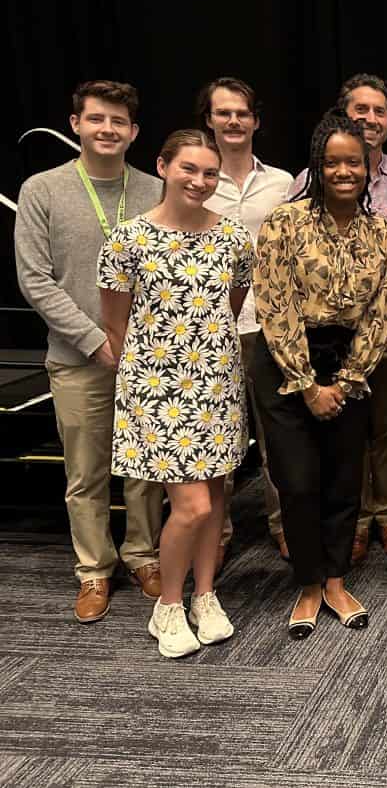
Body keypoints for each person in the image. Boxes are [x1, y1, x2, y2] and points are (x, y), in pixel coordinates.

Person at [97, 129, 253, 658]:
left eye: (210, 173)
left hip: (217, 381)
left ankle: (205, 595)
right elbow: (115, 323)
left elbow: (228, 309)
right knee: (188, 505)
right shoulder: (128, 239)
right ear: (163, 166)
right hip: (158, 389)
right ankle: (167, 604)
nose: (200, 181)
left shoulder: (233, 237)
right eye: (189, 168)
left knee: (214, 499)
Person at [14, 80, 164, 624]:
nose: (108, 129)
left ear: (134, 132)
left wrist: (143, 343)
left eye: (118, 122)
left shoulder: (154, 190)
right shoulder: (43, 190)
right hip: (78, 359)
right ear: (76, 123)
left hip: (147, 360)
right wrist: (95, 339)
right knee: (85, 472)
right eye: (97, 119)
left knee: (146, 468)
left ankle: (144, 556)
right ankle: (94, 570)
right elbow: (35, 280)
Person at [252, 111, 387, 639]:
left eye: (354, 162)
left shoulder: (384, 235)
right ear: (317, 166)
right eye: (332, 161)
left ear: (367, 167)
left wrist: (347, 377)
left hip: (351, 366)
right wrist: (308, 384)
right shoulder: (282, 223)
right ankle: (308, 584)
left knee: (344, 479)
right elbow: (274, 305)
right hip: (286, 363)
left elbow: (381, 314)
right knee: (297, 481)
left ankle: (336, 580)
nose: (344, 171)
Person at [294, 74, 387, 566]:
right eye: (360, 110)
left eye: (380, 111)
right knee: (345, 431)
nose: (371, 119)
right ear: (343, 115)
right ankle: (354, 521)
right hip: (332, 336)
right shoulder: (308, 179)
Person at [197, 76, 294, 566]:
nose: (233, 121)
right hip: (207, 331)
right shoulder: (194, 180)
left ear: (256, 121)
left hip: (270, 327)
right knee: (217, 438)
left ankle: (284, 526)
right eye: (223, 113)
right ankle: (218, 532)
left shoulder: (283, 183)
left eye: (242, 113)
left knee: (278, 437)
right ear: (209, 120)